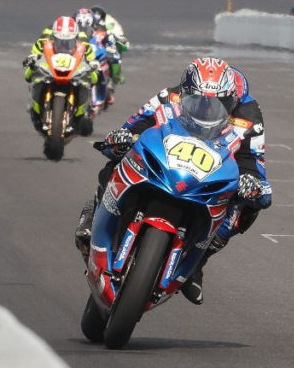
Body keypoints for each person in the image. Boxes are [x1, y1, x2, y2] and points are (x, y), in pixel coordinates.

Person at [74, 56, 269, 305]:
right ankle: (94, 211)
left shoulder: (250, 115)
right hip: (169, 160)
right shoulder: (170, 95)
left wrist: (252, 183)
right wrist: (123, 137)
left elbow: (254, 161)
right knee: (120, 156)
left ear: (230, 99)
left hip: (210, 171)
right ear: (186, 91)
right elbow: (138, 122)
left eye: (217, 104)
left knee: (250, 204)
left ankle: (199, 260)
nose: (206, 110)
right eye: (198, 101)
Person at [23, 16, 99, 131]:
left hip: (73, 71)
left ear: (75, 38)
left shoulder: (85, 47)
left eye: (68, 42)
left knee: (92, 79)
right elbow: (33, 55)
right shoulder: (42, 43)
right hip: (51, 69)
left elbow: (92, 62)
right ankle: (35, 105)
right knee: (29, 74)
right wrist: (32, 59)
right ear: (53, 37)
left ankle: (82, 111)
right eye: (59, 41)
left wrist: (93, 65)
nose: (63, 44)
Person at [90, 5, 129, 84]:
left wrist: (117, 39)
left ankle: (116, 75)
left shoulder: (111, 22)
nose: (95, 26)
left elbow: (125, 45)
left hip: (105, 46)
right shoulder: (85, 21)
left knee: (115, 53)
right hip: (91, 46)